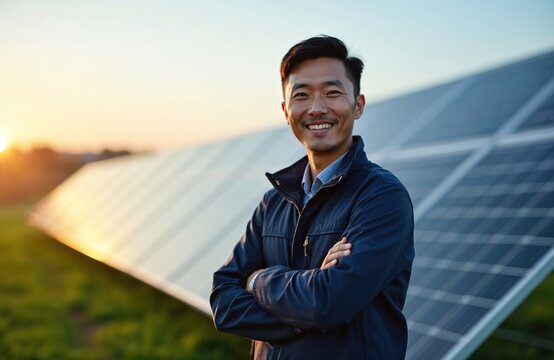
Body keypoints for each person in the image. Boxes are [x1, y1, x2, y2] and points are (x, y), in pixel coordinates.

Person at [210, 35, 414, 359]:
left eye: (332, 92)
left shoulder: (381, 197)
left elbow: (327, 304)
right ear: (285, 110)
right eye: (301, 95)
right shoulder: (273, 202)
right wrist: (308, 305)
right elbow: (223, 301)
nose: (317, 108)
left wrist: (259, 280)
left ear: (357, 105)